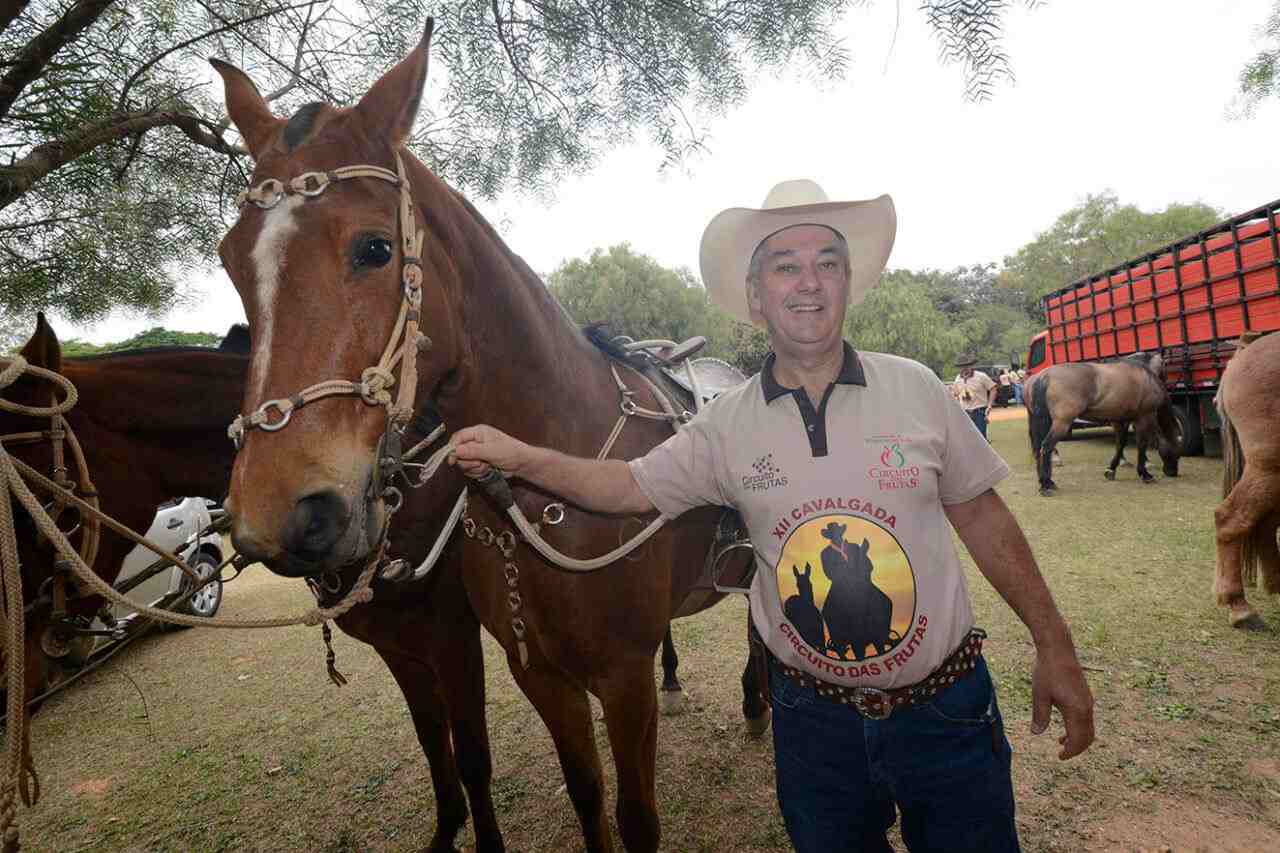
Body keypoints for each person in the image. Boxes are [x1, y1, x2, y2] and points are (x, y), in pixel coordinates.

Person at [449, 179, 1095, 853]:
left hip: (945, 708)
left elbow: (986, 520)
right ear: (758, 297)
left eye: (828, 263)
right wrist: (521, 455)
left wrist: (1054, 642)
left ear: (849, 283)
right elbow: (623, 486)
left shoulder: (917, 389)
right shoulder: (725, 425)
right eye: (786, 265)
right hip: (813, 724)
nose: (808, 283)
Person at [952, 354, 998, 439]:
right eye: (961, 366)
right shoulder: (958, 379)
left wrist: (989, 405)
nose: (964, 368)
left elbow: (993, 388)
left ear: (970, 365)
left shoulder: (981, 376)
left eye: (966, 365)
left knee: (981, 438)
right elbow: (955, 394)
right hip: (965, 413)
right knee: (966, 438)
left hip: (979, 412)